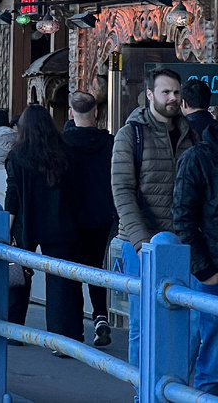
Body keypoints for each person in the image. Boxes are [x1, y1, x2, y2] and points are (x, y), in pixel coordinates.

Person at [113, 66, 198, 374]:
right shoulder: (131, 134)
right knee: (142, 323)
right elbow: (122, 190)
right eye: (166, 92)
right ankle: (142, 391)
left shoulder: (192, 133)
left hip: (185, 244)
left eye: (176, 92)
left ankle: (175, 388)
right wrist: (141, 242)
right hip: (143, 243)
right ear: (150, 94)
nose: (173, 98)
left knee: (187, 322)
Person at [4, 104, 82, 345]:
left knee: (19, 276)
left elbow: (13, 197)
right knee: (59, 282)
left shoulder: (16, 156)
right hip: (60, 223)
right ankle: (61, 339)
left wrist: (6, 230)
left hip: (26, 224)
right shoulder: (65, 151)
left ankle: (13, 332)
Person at [64, 91, 117, 347]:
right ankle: (101, 316)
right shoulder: (111, 143)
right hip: (102, 216)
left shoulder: (63, 144)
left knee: (72, 270)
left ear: (71, 113)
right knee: (96, 266)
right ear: (96, 113)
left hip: (72, 217)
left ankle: (74, 327)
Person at [173, 112, 218, 395]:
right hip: (212, 269)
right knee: (212, 353)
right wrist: (206, 271)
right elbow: (183, 218)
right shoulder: (198, 158)